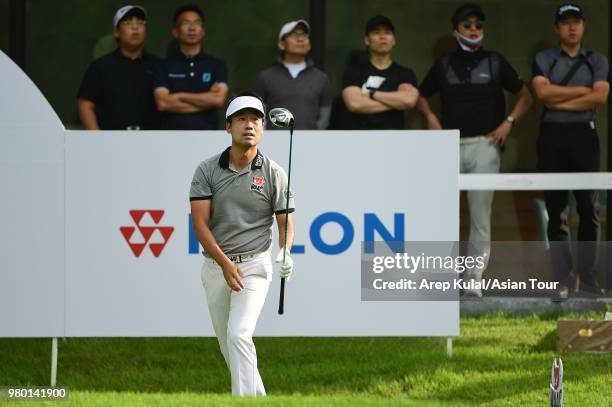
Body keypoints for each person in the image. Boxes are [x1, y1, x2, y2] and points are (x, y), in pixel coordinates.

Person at [417, 3, 532, 297]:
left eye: (478, 25)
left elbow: (525, 96)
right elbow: (419, 95)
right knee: (442, 212)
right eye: (467, 25)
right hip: (448, 147)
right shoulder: (443, 64)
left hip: (486, 145)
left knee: (480, 214)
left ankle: (473, 279)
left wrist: (508, 123)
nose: (473, 29)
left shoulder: (495, 61)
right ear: (456, 30)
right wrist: (431, 118)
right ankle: (442, 275)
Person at [189, 92, 295, 396]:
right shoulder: (207, 170)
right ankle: (259, 400)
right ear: (228, 127)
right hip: (215, 266)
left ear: (263, 128)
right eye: (241, 119)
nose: (249, 125)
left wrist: (286, 250)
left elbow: (286, 223)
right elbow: (200, 224)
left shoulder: (274, 172)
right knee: (230, 346)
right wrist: (224, 264)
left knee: (239, 334)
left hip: (254, 264)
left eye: (256, 120)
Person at [532, 3, 609, 298]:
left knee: (589, 210)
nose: (572, 27)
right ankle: (563, 280)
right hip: (551, 136)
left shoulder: (597, 60)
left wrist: (559, 99)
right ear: (557, 28)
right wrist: (582, 93)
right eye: (566, 23)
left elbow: (599, 97)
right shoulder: (545, 58)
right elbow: (542, 94)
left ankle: (588, 280)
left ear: (583, 26)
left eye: (576, 22)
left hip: (584, 136)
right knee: (556, 211)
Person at [77, 5, 161, 130]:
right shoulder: (101, 66)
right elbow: (85, 105)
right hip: (112, 141)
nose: (135, 27)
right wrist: (97, 140)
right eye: (128, 23)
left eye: (140, 22)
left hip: (153, 141)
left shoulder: (159, 65)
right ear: (116, 32)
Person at [154, 4, 228, 130]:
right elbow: (163, 103)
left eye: (197, 23)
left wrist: (180, 96)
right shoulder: (163, 66)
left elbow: (218, 100)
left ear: (203, 31)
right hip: (170, 138)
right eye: (186, 23)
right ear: (175, 32)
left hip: (209, 137)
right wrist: (205, 100)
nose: (192, 28)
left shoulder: (216, 65)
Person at [341, 15, 419, 129]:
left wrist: (372, 94)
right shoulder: (354, 71)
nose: (382, 37)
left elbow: (408, 101)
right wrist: (396, 103)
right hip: (360, 140)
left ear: (393, 40)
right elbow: (355, 104)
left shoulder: (404, 73)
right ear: (366, 40)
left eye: (387, 32)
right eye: (376, 32)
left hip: (394, 140)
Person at [253, 20, 332, 130]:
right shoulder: (265, 77)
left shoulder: (321, 78)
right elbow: (257, 115)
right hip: (274, 143)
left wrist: (313, 137)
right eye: (294, 35)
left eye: (304, 35)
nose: (300, 39)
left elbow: (325, 118)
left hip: (310, 143)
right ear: (281, 44)